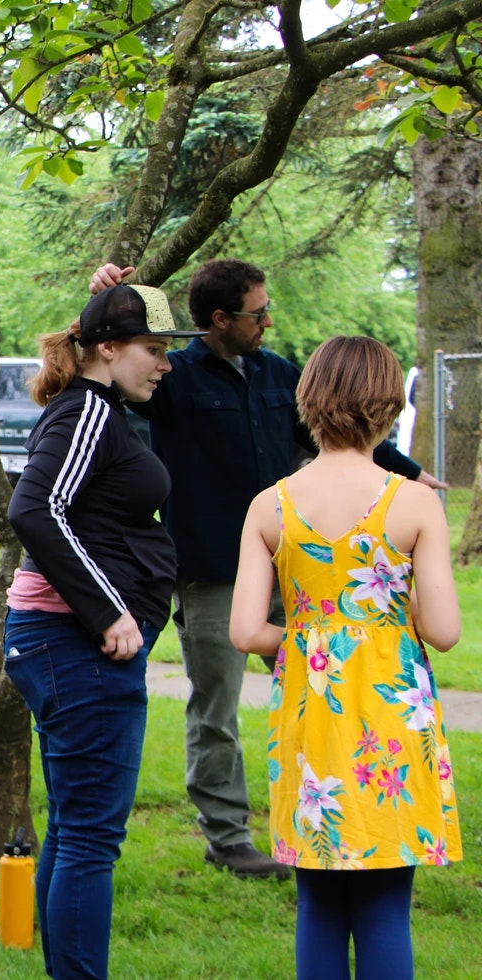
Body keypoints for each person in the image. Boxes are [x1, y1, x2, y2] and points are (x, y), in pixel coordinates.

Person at [90, 260, 442, 879]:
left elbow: (343, 428)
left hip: (299, 569)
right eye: (257, 312)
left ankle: (348, 820)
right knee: (217, 709)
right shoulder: (175, 380)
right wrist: (110, 298)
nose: (268, 320)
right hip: (214, 572)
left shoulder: (278, 373)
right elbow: (107, 371)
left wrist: (408, 473)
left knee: (343, 691)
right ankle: (227, 837)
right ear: (220, 319)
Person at [230, 336, 461, 979]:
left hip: (312, 720)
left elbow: (247, 630)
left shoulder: (269, 506)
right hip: (393, 717)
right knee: (386, 905)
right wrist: (378, 628)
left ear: (308, 401)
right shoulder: (413, 503)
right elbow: (442, 630)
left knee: (320, 902)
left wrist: (310, 641)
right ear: (387, 406)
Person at [4, 284, 203, 978]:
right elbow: (36, 510)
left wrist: (117, 285)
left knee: (74, 829)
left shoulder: (97, 406)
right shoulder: (86, 410)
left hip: (66, 645)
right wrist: (108, 611)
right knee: (90, 839)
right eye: (155, 350)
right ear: (109, 349)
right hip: (77, 646)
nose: (166, 364)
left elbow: (76, 510)